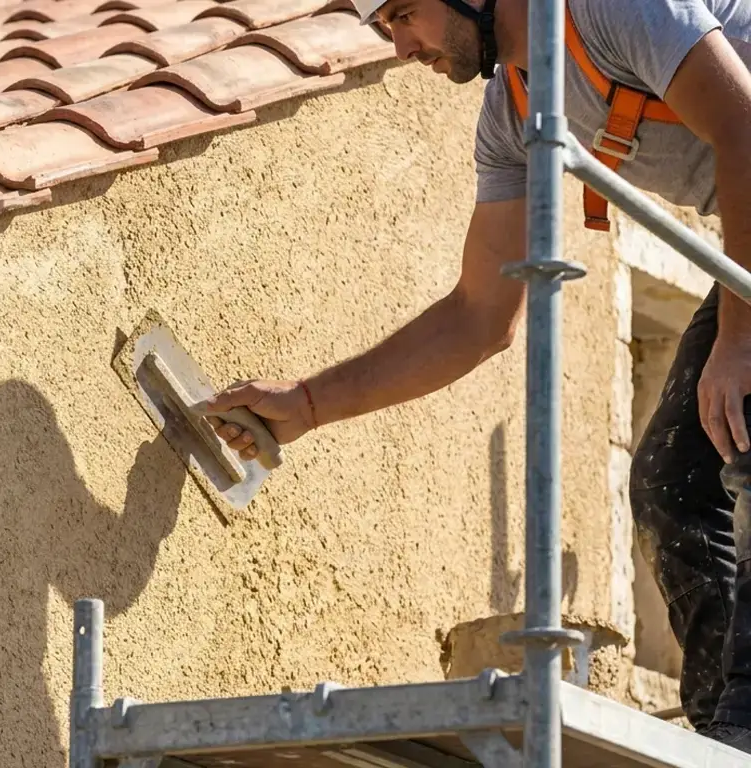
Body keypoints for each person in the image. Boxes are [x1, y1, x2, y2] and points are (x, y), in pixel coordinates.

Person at [199, 0, 751, 752]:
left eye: (405, 14)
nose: (400, 47)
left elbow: (745, 125)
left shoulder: (613, 7)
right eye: (384, 27)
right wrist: (307, 404)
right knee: (672, 485)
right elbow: (479, 316)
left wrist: (742, 336)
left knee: (743, 435)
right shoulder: (514, 113)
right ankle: (730, 729)